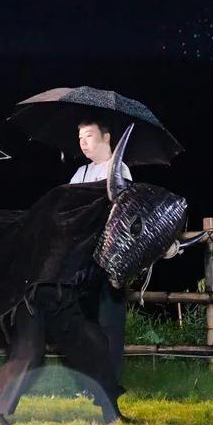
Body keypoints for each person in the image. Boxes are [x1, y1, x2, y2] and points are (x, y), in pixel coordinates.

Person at [68, 119, 131, 382]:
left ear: (106, 138)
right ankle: (88, 381)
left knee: (109, 323)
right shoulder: (79, 173)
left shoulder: (120, 169)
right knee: (86, 321)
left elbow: (122, 212)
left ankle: (109, 381)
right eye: (80, 137)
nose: (83, 143)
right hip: (83, 257)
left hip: (111, 256)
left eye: (89, 136)